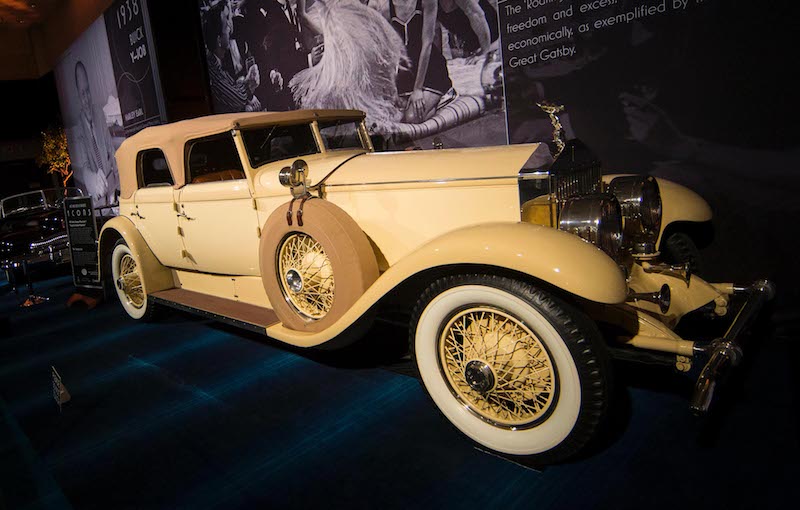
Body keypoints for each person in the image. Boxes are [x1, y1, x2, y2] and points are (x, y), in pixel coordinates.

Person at [379, 0, 454, 123]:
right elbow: (390, 52)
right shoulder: (386, 8)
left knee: (412, 117)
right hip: (408, 70)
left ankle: (446, 93)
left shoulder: (427, 2)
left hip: (431, 69)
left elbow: (427, 45)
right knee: (393, 116)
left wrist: (418, 89)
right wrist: (393, 89)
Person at [73, 60, 120, 207]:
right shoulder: (78, 126)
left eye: (87, 91)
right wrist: (94, 181)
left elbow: (109, 147)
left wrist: (117, 177)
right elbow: (85, 165)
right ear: (78, 95)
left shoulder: (99, 113)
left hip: (111, 182)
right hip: (97, 192)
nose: (86, 98)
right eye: (82, 93)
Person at [203, 0, 261, 113]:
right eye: (226, 25)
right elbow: (238, 98)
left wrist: (244, 82)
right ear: (219, 40)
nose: (230, 27)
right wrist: (248, 84)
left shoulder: (215, 61)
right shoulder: (212, 68)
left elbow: (233, 87)